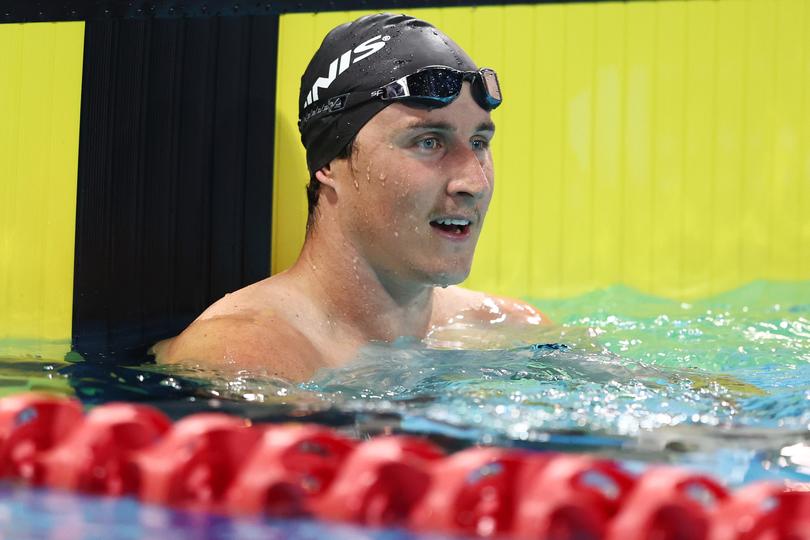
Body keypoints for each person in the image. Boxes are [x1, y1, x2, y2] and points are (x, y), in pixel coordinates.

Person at [157, 13, 551, 381]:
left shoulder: (509, 328)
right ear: (330, 163)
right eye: (429, 142)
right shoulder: (244, 355)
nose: (474, 182)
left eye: (479, 142)